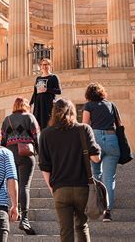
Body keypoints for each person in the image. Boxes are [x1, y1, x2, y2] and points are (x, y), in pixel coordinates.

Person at [39, 99, 101, 242]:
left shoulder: (46, 134)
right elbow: (96, 158)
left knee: (65, 231)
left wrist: (51, 187)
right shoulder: (83, 129)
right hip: (82, 187)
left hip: (60, 188)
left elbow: (44, 166)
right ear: (72, 112)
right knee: (82, 226)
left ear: (53, 113)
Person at [1, 97, 40, 235]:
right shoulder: (30, 117)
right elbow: (36, 136)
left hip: (10, 154)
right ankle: (24, 219)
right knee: (24, 186)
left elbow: (3, 139)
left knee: (12, 183)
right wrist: (41, 155)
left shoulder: (7, 119)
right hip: (26, 154)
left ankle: (12, 211)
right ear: (25, 105)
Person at [82, 82, 120, 222]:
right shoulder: (111, 105)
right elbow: (119, 124)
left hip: (95, 139)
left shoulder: (89, 106)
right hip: (112, 139)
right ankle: (107, 211)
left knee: (95, 174)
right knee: (109, 178)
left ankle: (96, 206)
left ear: (88, 95)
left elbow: (85, 125)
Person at [30, 58, 61, 129]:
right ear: (40, 66)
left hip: (48, 104)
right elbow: (35, 93)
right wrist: (30, 104)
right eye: (43, 65)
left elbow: (59, 91)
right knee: (37, 124)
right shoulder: (38, 78)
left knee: (48, 122)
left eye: (46, 64)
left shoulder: (53, 77)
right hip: (38, 105)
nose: (44, 66)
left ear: (50, 66)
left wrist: (47, 89)